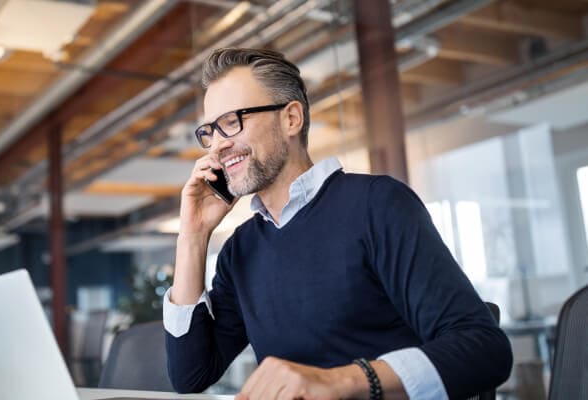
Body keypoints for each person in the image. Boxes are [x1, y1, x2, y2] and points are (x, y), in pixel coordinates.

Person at [163, 48, 512, 400]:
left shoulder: (377, 205)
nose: (219, 145)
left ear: (291, 119)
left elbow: (484, 349)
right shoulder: (241, 250)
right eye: (210, 131)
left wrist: (342, 381)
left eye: (232, 121)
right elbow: (190, 375)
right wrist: (192, 237)